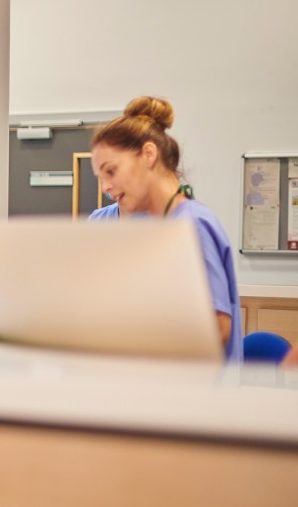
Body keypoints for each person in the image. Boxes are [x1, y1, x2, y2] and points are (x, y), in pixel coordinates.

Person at [90, 96, 242, 361]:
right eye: (100, 178)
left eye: (111, 172)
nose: (105, 188)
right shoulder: (164, 223)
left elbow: (216, 330)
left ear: (149, 155)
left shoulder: (191, 225)